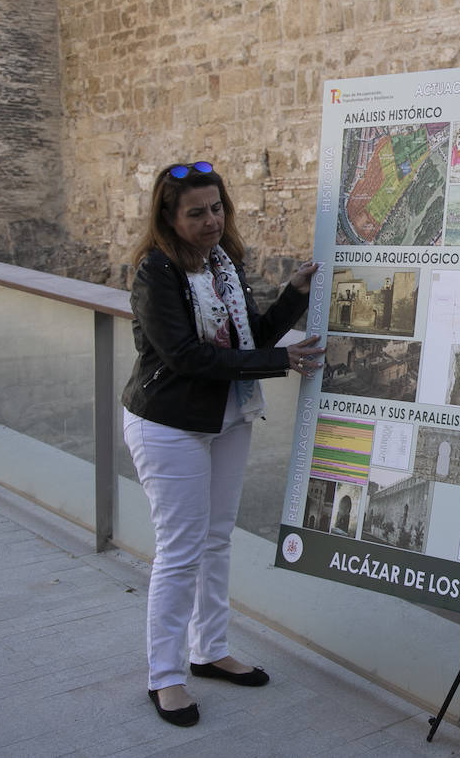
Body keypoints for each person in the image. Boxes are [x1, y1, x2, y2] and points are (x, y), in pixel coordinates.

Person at [121, 161, 325, 727]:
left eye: (217, 209)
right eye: (196, 213)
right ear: (168, 215)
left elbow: (249, 337)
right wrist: (279, 361)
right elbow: (186, 355)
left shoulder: (222, 263)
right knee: (181, 548)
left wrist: (293, 295)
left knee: (216, 539)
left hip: (227, 416)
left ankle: (209, 650)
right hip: (169, 423)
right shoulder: (154, 273)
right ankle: (164, 676)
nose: (211, 221)